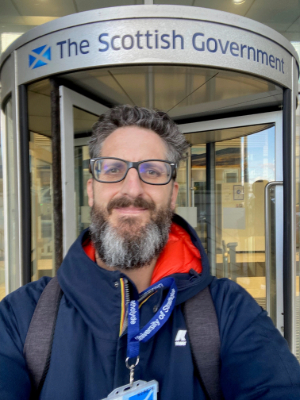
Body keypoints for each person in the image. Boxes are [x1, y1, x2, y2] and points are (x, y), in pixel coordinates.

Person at [1, 105, 300, 400]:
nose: (132, 189)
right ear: (91, 190)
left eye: (153, 171)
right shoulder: (21, 317)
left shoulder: (230, 312)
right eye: (114, 169)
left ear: (173, 195)